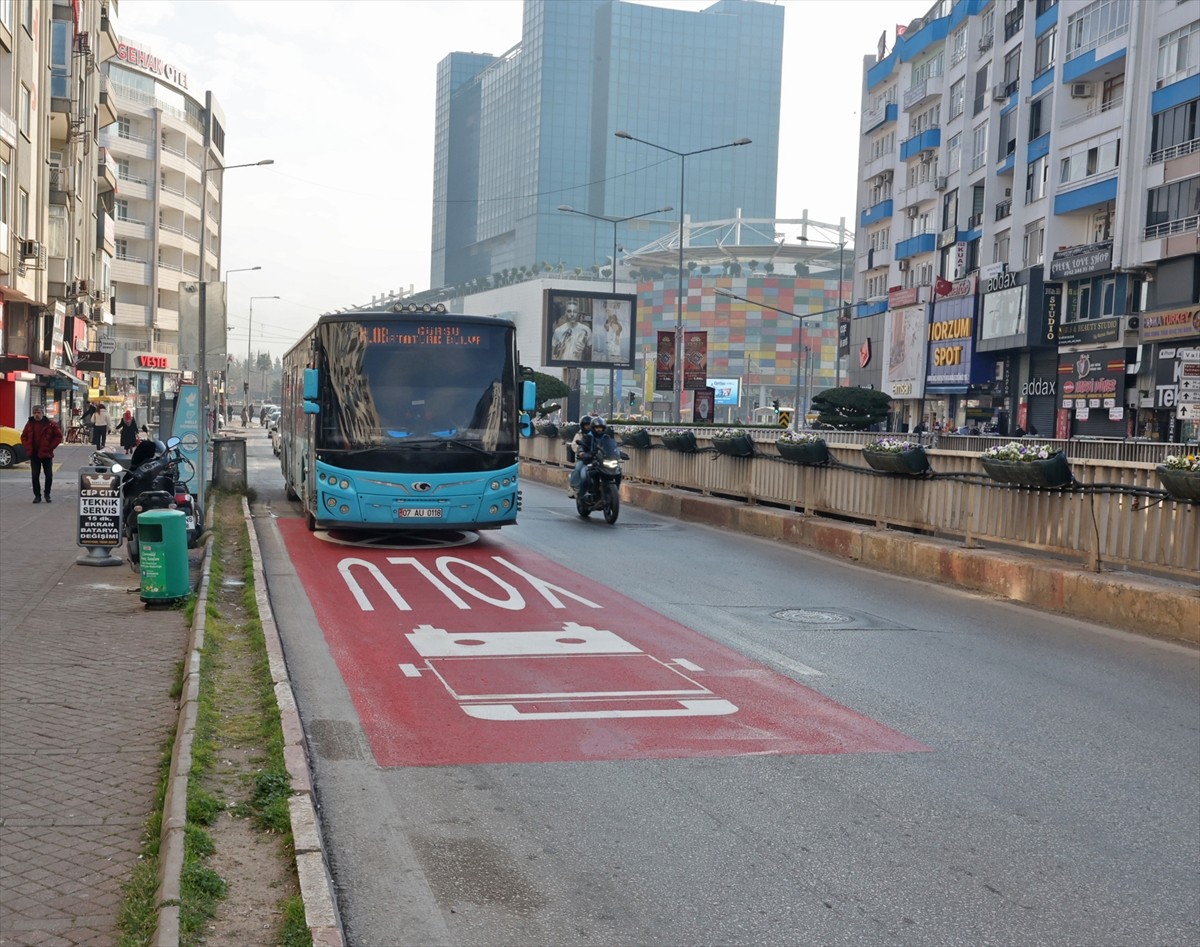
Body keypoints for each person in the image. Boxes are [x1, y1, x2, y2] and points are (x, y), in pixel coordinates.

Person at [21, 404, 63, 503]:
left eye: (38, 412)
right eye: (35, 413)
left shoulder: (50, 424)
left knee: (48, 475)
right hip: (34, 454)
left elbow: (58, 436)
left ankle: (47, 494)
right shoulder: (29, 424)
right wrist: (27, 447)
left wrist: (50, 447)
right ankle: (37, 496)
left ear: (43, 413)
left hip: (46, 454)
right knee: (35, 475)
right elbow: (23, 436)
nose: (36, 415)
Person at [576, 416, 619, 499]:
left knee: (618, 471)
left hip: (603, 460)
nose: (599, 429)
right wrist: (582, 453)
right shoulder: (588, 437)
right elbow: (582, 446)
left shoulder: (606, 437)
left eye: (601, 427)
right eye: (597, 427)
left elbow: (612, 447)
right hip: (591, 460)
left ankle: (615, 491)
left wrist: (619, 453)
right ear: (593, 428)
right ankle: (583, 495)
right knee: (585, 476)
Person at [567, 415, 594, 498]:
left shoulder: (596, 435)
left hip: (595, 458)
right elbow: (575, 445)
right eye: (586, 425)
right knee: (579, 468)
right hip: (583, 458)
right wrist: (581, 451)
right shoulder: (579, 435)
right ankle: (574, 486)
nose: (588, 427)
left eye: (589, 425)